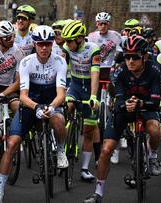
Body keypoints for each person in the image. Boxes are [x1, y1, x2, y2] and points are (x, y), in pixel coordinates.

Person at [0, 25, 68, 203]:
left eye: (48, 44)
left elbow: (61, 94)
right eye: (40, 44)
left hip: (51, 102)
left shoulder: (59, 61)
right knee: (12, 144)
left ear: (52, 43)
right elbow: (23, 96)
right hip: (31, 104)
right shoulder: (26, 62)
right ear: (34, 43)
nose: (44, 48)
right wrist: (37, 107)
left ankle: (61, 150)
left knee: (58, 120)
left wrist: (51, 107)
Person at [84, 35, 161, 203]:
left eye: (135, 57)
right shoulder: (120, 71)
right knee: (106, 150)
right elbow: (118, 100)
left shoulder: (154, 70)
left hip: (146, 107)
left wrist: (141, 102)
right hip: (124, 109)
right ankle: (98, 193)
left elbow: (156, 102)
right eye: (127, 56)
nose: (130, 61)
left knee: (155, 130)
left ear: (145, 56)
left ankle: (152, 156)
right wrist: (124, 104)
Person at [61, 20, 101, 182]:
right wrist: (61, 91)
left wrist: (93, 96)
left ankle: (84, 168)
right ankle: (61, 145)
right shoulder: (66, 48)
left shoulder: (93, 50)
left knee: (89, 130)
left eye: (69, 40)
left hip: (89, 89)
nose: (67, 44)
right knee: (67, 106)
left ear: (79, 39)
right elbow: (62, 70)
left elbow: (95, 74)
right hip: (75, 86)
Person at [88, 12, 123, 164]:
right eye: (100, 23)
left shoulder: (115, 36)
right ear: (97, 24)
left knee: (114, 93)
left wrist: (116, 63)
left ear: (109, 24)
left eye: (105, 23)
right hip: (97, 68)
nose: (103, 26)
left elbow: (121, 51)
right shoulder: (92, 36)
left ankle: (113, 103)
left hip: (110, 68)